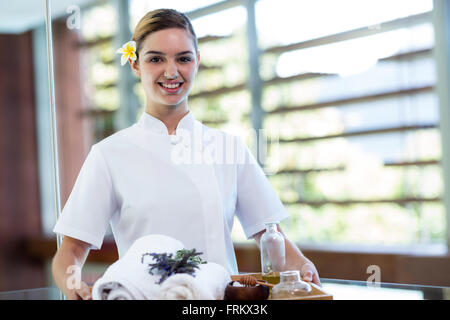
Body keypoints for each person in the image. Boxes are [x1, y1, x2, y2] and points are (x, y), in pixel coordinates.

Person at [51, 8, 320, 300]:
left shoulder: (228, 148)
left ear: (197, 62)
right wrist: (72, 284)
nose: (171, 71)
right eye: (156, 59)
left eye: (183, 58)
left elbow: (270, 233)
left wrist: (302, 266)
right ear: (135, 64)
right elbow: (72, 249)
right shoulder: (108, 155)